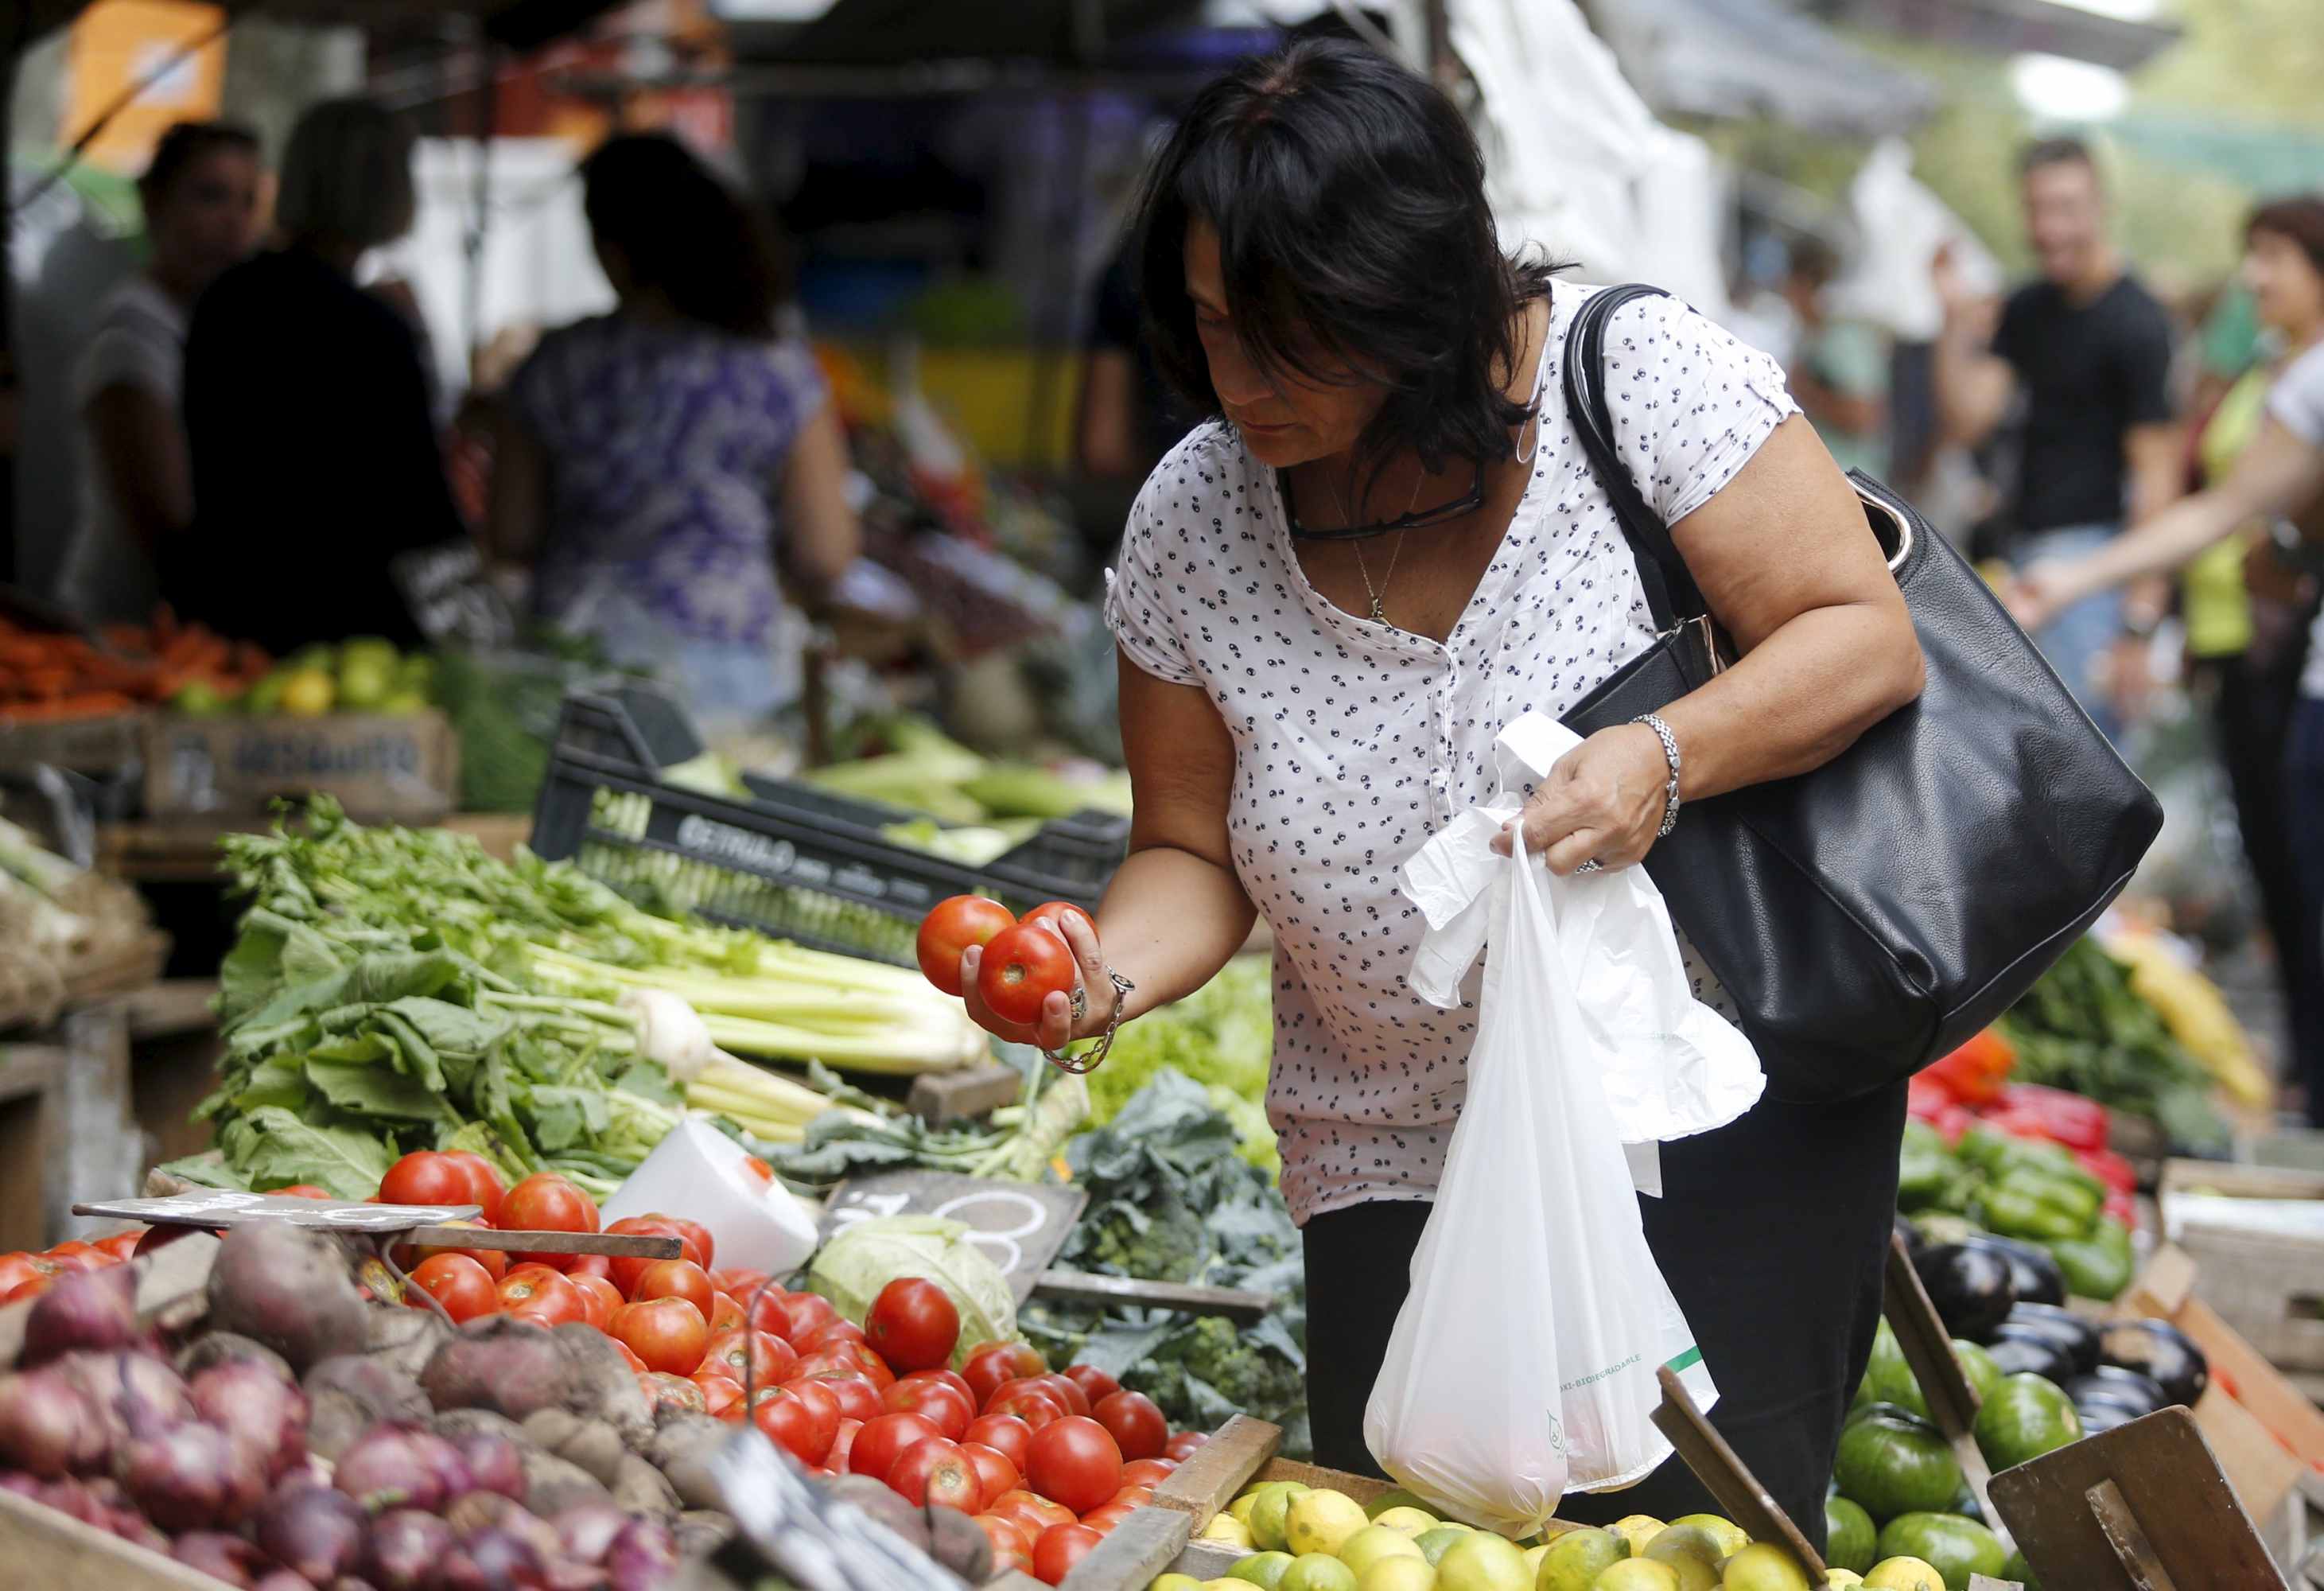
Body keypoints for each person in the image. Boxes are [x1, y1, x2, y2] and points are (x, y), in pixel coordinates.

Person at [958, 38, 1924, 1539]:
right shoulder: (1192, 522)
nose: (1241, 381)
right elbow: (1186, 851)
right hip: (1386, 1152)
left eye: (1291, 337)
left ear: (1412, 300)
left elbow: (1860, 639)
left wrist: (1659, 759)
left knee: (1695, 1556)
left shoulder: (1629, 378)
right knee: (1405, 1546)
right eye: (1212, 329)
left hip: (1707, 1104)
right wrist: (1101, 976)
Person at [2011, 200, 2324, 1122]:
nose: (2255, 279)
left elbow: (2213, 512)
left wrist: (2080, 580)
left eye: (2273, 258)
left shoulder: (2306, 380)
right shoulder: (2282, 374)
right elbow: (2230, 514)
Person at [488, 134, 857, 725]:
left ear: (615, 250)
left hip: (572, 660)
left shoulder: (555, 365)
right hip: (726, 667)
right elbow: (826, 555)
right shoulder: (776, 371)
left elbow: (510, 534)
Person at [170, 99, 460, 656]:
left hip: (229, 621)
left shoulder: (224, 302)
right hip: (348, 633)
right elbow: (420, 511)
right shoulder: (373, 331)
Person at [1932, 138, 2181, 737]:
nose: (2049, 227)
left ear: (2101, 206)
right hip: (2014, 558)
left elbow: (2158, 477)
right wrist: (1950, 323)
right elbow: (1969, 421)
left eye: (2066, 207)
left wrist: (2139, 624)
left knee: (2081, 769)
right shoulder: (2026, 308)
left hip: (2093, 569)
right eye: (2036, 209)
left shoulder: (2137, 323)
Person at [60, 122, 260, 624]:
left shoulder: (211, 326)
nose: (235, 222)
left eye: (249, 201)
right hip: (126, 634)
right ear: (155, 203)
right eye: (212, 196)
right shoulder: (130, 340)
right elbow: (171, 531)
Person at [1782, 235, 1890, 480]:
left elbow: (1864, 414)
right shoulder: (1819, 335)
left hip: (1848, 483)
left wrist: (1807, 391)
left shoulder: (1841, 337)